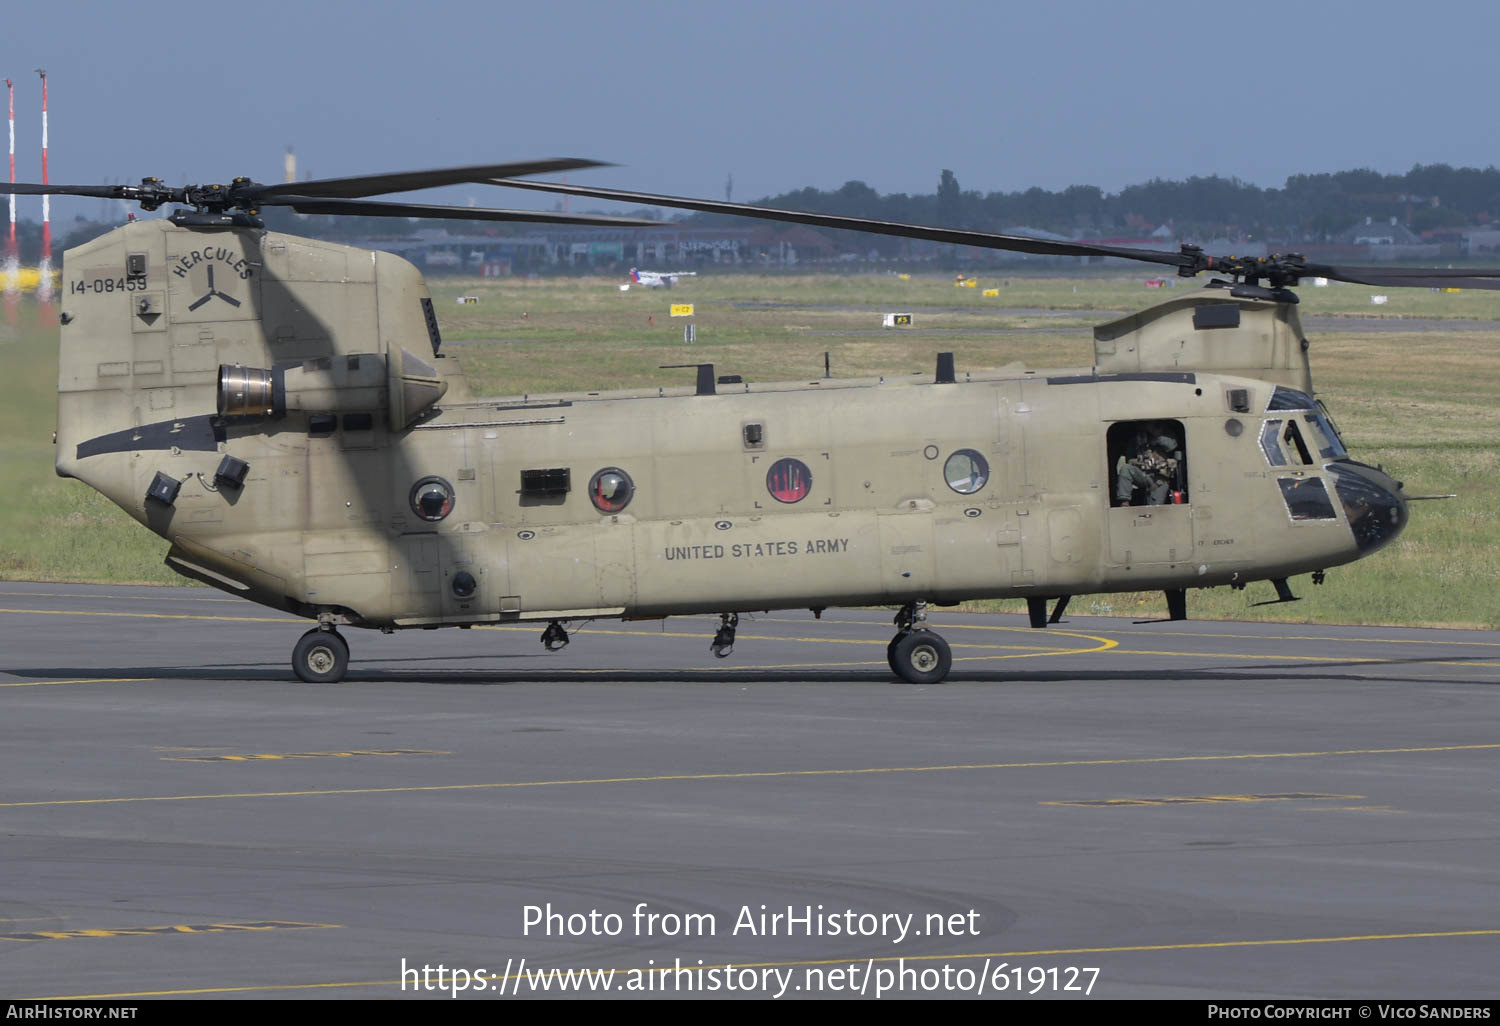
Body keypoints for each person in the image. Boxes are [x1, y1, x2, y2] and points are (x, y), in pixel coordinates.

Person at [1115, 424, 1179, 506]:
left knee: (1155, 508)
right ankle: (1124, 502)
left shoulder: (1167, 434)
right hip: (1142, 473)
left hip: (1160, 477)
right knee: (1126, 469)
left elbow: (1172, 446)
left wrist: (1156, 436)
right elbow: (1129, 458)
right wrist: (1139, 462)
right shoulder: (1137, 438)